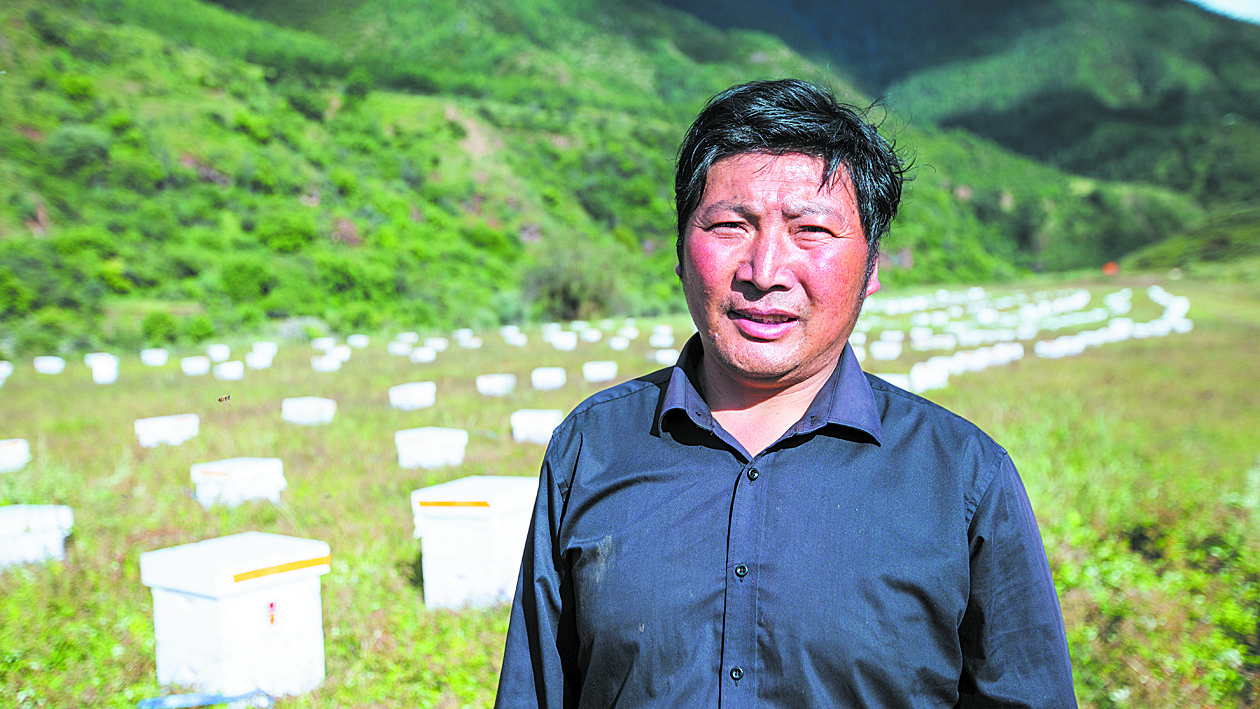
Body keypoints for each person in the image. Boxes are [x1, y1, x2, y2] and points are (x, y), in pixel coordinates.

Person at [495, 78, 1076, 708]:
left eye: (812, 231)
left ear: (872, 267)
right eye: (729, 225)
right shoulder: (592, 447)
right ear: (680, 253)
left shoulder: (962, 476)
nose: (765, 272)